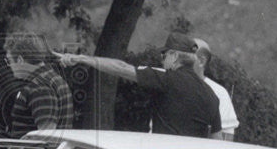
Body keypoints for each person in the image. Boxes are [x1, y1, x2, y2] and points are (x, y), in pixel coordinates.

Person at [56, 30, 221, 138]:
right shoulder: (212, 95)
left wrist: (82, 59)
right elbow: (218, 141)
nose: (161, 59)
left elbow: (121, 68)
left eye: (163, 55)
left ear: (174, 56)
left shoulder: (167, 80)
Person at [3, 32, 74, 138]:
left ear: (20, 60)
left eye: (9, 61)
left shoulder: (39, 86)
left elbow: (47, 136)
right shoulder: (52, 78)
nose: (9, 66)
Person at [191, 37, 239, 141]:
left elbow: (226, 139)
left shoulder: (219, 93)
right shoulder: (166, 83)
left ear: (201, 61)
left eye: (187, 56)